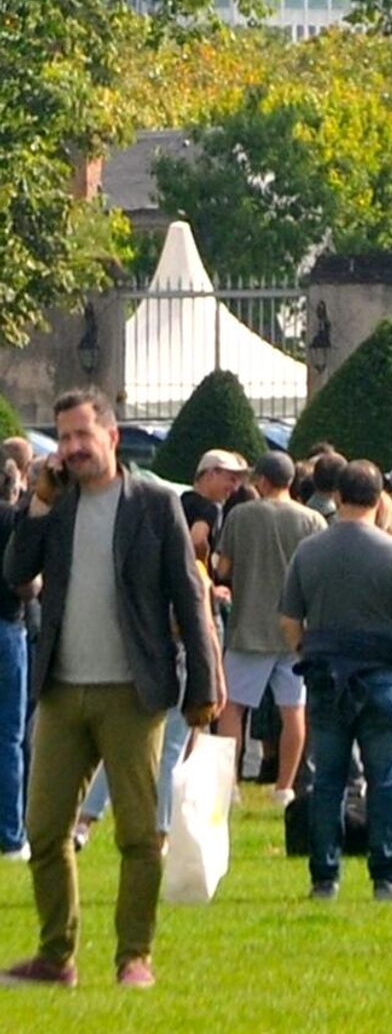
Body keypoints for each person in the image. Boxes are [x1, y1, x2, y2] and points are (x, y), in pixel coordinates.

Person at [1, 388, 222, 989]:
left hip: (133, 692)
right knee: (44, 830)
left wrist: (203, 685)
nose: (71, 448)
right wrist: (38, 506)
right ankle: (55, 957)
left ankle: (133, 957)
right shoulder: (58, 504)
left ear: (111, 436)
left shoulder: (154, 502)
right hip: (62, 691)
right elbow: (15, 573)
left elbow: (189, 592)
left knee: (138, 833)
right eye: (63, 438)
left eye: (81, 436)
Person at [279, 459, 392, 904]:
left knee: (327, 782)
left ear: (339, 498)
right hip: (383, 673)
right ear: (379, 498)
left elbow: (289, 620)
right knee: (385, 782)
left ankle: (324, 879)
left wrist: (307, 650)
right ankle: (387, 876)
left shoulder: (309, 551)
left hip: (326, 673)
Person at [213, 452, 325, 808]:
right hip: (295, 630)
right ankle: (285, 787)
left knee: (233, 709)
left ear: (261, 480)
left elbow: (224, 567)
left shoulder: (241, 515)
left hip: (248, 625)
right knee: (292, 711)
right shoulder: (312, 520)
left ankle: (228, 784)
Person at [0, 457, 27, 861]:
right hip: (6, 625)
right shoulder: (11, 521)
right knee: (9, 737)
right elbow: (28, 581)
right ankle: (9, 835)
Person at [181, 450, 247, 568]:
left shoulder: (181, 500)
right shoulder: (209, 509)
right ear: (211, 475)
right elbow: (198, 540)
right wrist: (203, 567)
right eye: (231, 479)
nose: (235, 488)